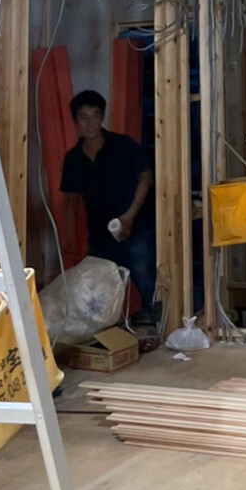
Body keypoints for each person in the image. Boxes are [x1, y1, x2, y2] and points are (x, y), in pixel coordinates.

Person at [60, 88, 159, 324]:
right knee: (97, 294)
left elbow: (146, 178)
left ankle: (162, 326)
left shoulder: (123, 146)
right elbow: (71, 200)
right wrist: (69, 236)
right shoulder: (74, 158)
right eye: (84, 117)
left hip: (135, 227)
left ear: (102, 117)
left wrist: (129, 216)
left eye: (95, 116)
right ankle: (105, 335)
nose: (90, 124)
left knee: (146, 280)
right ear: (75, 121)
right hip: (100, 236)